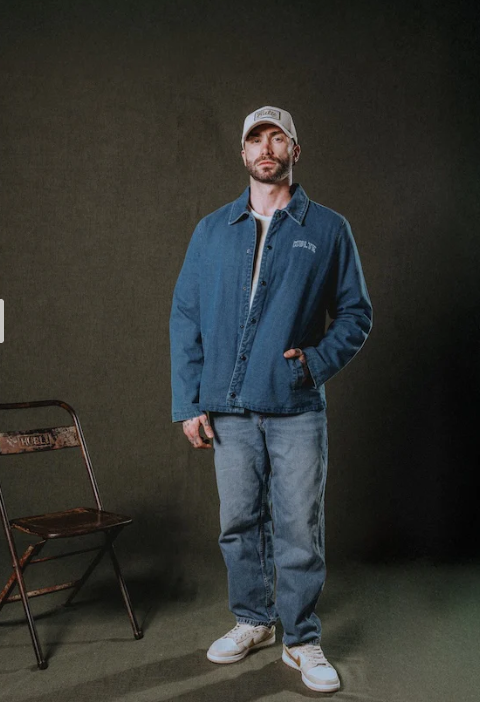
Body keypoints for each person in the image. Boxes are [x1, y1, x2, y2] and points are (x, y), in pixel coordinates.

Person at [170, 105, 372, 693]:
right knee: (238, 522)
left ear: (294, 151)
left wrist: (313, 364)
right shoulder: (212, 230)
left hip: (295, 407)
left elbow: (356, 314)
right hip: (226, 407)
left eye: (277, 137)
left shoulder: (328, 229)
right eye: (255, 138)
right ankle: (254, 621)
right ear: (243, 152)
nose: (266, 147)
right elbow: (186, 316)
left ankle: (301, 638)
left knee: (299, 527)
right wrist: (189, 401)